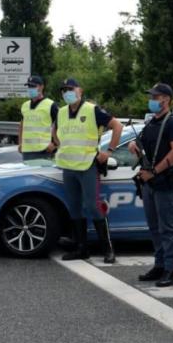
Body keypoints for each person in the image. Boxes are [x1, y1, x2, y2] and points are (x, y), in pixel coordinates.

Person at [52, 78, 123, 262]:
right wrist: (61, 146)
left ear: (80, 91)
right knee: (74, 208)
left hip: (87, 165)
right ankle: (81, 249)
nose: (67, 92)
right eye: (64, 90)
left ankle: (108, 250)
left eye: (70, 89)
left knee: (93, 206)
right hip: (68, 166)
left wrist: (109, 151)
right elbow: (55, 132)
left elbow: (117, 126)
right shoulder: (60, 112)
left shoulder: (92, 109)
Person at [128, 83, 173, 287]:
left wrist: (154, 171)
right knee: (154, 227)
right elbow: (146, 148)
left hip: (163, 182)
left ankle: (171, 269)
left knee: (167, 228)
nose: (152, 100)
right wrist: (134, 146)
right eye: (151, 96)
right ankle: (160, 265)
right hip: (149, 183)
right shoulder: (152, 123)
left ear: (166, 99)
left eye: (156, 96)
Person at [18, 75, 56, 161]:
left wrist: (54, 143)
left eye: (33, 86)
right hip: (27, 151)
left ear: (42, 87)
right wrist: (20, 143)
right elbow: (22, 125)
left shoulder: (50, 105)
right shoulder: (25, 105)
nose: (30, 89)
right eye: (29, 86)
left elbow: (61, 124)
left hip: (44, 151)